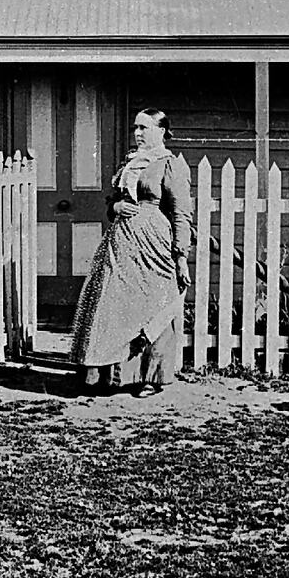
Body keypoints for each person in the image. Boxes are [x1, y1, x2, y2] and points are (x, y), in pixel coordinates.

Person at [68, 108, 193, 398]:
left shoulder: (170, 164)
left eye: (144, 128)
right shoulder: (130, 162)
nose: (137, 134)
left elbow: (181, 214)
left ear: (161, 131)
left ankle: (151, 378)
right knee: (113, 305)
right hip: (121, 244)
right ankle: (109, 377)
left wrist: (181, 256)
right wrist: (116, 207)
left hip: (154, 246)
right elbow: (111, 201)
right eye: (136, 128)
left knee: (153, 305)